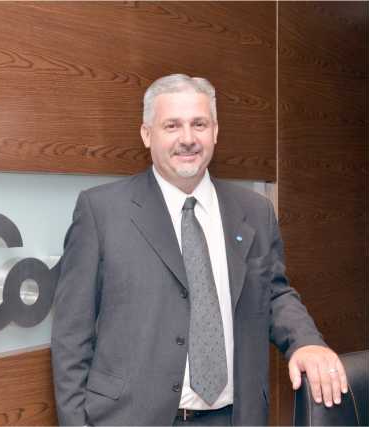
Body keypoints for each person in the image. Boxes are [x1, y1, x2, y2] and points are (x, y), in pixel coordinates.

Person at [50, 74, 348, 426]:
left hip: (234, 418)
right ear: (147, 134)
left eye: (199, 124)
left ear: (215, 131)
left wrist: (306, 341)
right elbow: (72, 336)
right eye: (172, 125)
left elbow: (273, 293)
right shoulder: (101, 211)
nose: (188, 138)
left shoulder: (254, 211)